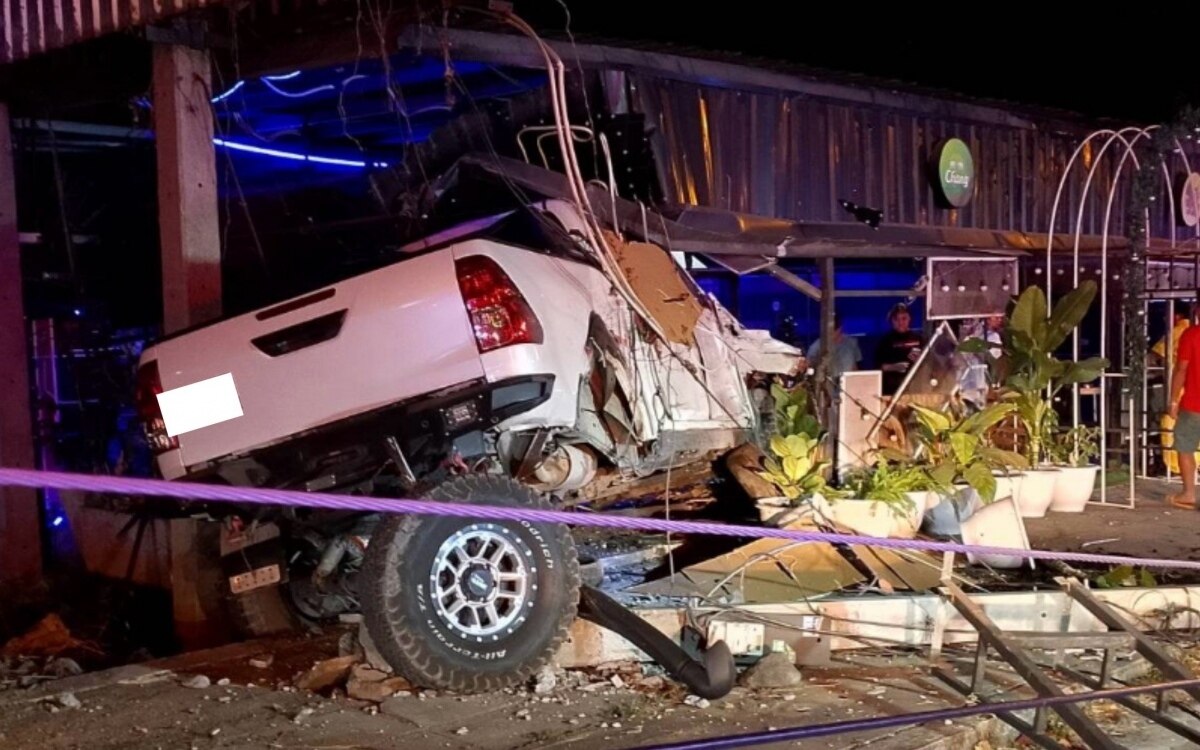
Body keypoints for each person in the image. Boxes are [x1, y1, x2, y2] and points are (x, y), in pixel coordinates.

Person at [1167, 300, 1200, 509]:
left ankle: (1188, 493)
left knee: (1185, 446)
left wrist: (1173, 400)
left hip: (1194, 404)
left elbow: (1181, 369)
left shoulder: (1191, 334)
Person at [875, 303, 925, 396]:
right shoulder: (884, 341)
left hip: (915, 389)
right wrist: (894, 367)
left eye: (904, 318)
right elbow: (877, 367)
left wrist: (919, 362)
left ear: (909, 319)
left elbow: (929, 364)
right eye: (896, 319)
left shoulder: (920, 339)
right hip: (892, 390)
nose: (900, 322)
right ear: (891, 321)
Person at [806, 314, 861, 387]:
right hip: (827, 387)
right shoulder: (817, 346)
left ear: (840, 328)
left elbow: (855, 367)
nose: (831, 335)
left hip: (849, 385)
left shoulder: (851, 343)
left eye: (833, 332)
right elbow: (809, 367)